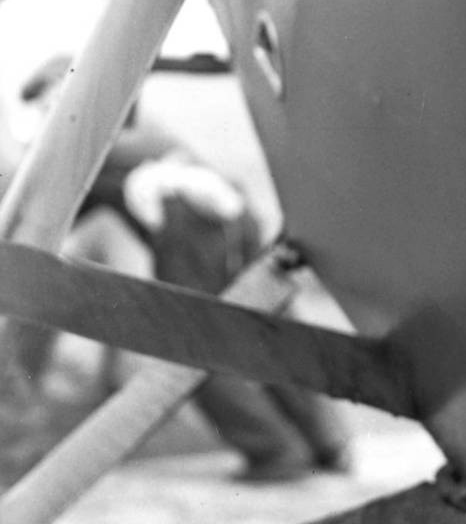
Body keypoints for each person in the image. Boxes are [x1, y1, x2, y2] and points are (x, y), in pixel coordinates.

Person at [15, 56, 352, 483]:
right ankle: (327, 445)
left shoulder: (86, 141)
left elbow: (42, 210)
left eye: (50, 100)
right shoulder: (134, 134)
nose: (46, 112)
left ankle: (276, 451)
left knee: (191, 349)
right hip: (232, 217)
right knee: (265, 332)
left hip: (192, 229)